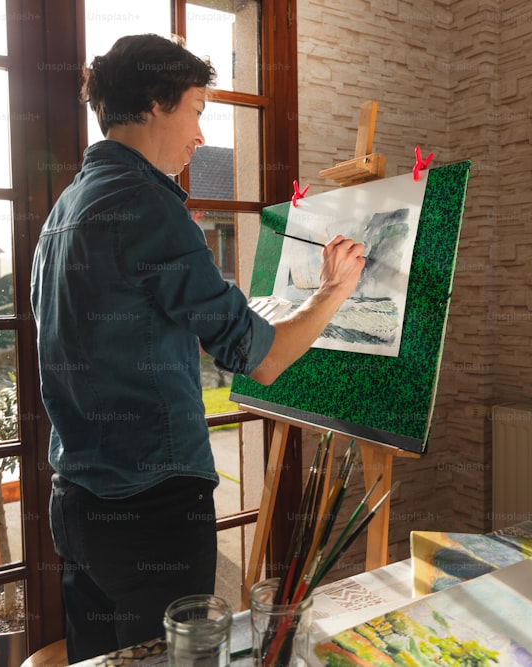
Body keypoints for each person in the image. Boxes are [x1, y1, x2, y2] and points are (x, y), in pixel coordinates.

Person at [29, 33, 365, 662]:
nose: (201, 134)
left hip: (76, 501)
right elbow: (261, 358)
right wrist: (332, 294)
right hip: (151, 509)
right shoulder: (150, 208)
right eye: (198, 109)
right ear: (157, 101)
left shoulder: (64, 212)